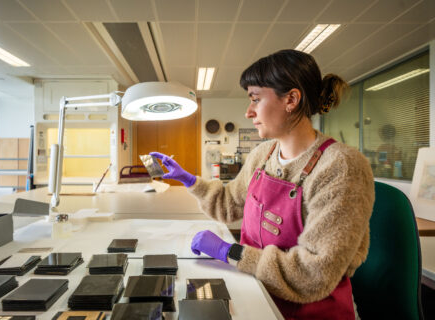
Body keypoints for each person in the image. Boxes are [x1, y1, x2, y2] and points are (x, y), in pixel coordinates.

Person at [150, 49, 374, 320]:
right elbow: (228, 205)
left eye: (255, 99)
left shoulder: (341, 166)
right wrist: (189, 179)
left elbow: (313, 274)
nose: (248, 111)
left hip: (307, 310)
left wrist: (228, 251)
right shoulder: (264, 154)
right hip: (257, 291)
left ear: (291, 99)